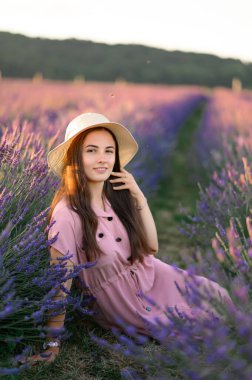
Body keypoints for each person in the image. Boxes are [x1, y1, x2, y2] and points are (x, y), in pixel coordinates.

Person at [21, 112, 231, 365]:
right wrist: (51, 346)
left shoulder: (116, 197)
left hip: (152, 276)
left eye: (109, 151)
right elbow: (60, 284)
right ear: (75, 157)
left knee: (219, 296)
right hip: (124, 301)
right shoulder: (68, 214)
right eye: (91, 151)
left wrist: (139, 197)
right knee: (205, 324)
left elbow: (151, 247)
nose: (102, 159)